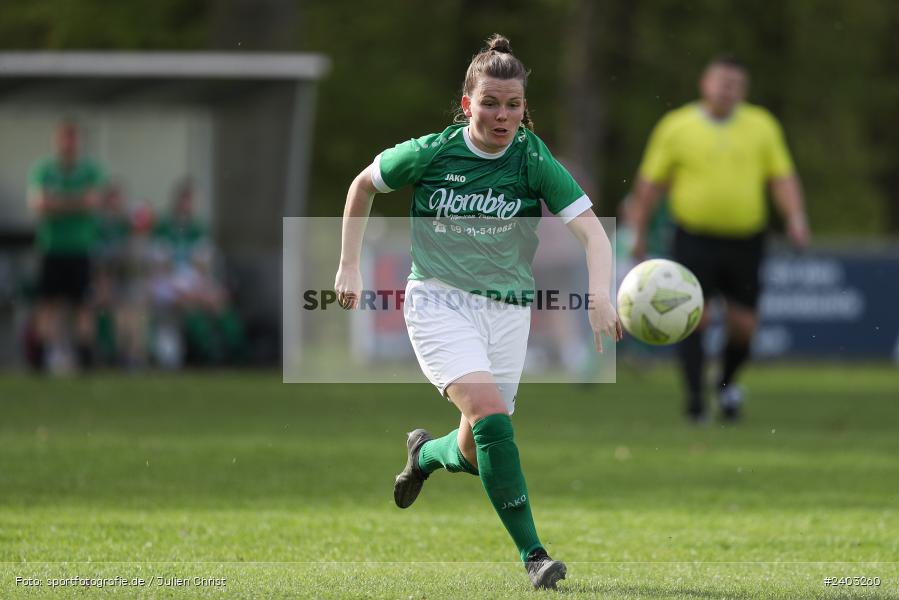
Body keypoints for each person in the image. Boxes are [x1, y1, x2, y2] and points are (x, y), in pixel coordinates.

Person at [334, 35, 621, 590]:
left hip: (508, 312)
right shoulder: (432, 152)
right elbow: (362, 185)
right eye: (490, 103)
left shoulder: (531, 157)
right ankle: (534, 556)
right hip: (437, 301)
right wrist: (348, 265)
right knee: (492, 417)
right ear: (468, 104)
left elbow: (593, 233)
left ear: (524, 108)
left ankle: (426, 454)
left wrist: (601, 295)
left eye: (513, 104)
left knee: (473, 447)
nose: (502, 115)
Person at [628, 55, 811, 422]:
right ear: (705, 84)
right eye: (722, 82)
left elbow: (781, 177)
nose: (728, 90)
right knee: (693, 315)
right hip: (693, 237)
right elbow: (650, 184)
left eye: (736, 84)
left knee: (744, 326)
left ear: (744, 90)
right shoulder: (677, 126)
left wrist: (795, 217)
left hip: (746, 239)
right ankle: (696, 400)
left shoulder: (761, 125)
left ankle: (726, 384)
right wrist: (639, 232)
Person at [27, 120, 105, 372]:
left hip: (80, 248)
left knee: (84, 305)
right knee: (48, 303)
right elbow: (38, 204)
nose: (69, 143)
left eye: (73, 138)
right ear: (57, 141)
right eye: (65, 138)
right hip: (51, 247)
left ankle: (85, 358)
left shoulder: (91, 170)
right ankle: (41, 358)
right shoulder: (44, 169)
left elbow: (93, 202)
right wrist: (76, 203)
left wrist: (57, 203)